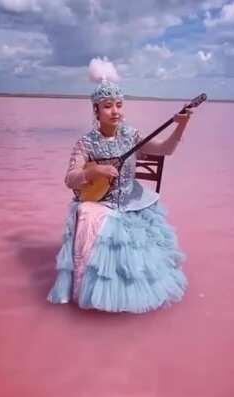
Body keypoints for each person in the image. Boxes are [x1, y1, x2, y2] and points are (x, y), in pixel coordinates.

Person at [47, 57, 192, 313]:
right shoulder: (86, 143)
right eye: (107, 106)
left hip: (131, 199)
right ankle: (91, 291)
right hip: (100, 201)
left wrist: (181, 126)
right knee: (89, 216)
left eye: (119, 105)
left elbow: (165, 149)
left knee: (127, 230)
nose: (115, 111)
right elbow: (69, 179)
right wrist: (97, 170)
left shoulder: (131, 134)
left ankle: (132, 289)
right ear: (96, 111)